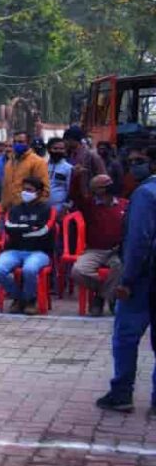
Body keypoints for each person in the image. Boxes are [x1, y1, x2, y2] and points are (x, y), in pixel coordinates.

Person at [95, 145, 156, 413]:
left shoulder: (145, 194)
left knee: (126, 336)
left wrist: (126, 280)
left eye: (138, 161)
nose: (133, 167)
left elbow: (139, 241)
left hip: (144, 277)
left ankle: (122, 393)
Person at [0, 176, 53, 315]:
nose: (25, 193)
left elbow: (43, 232)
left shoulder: (46, 210)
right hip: (14, 250)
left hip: (39, 251)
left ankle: (30, 300)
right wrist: (30, 228)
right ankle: (19, 297)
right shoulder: (15, 209)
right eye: (24, 189)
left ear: (38, 193)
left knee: (29, 270)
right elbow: (8, 227)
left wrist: (19, 229)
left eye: (29, 190)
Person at [70, 174, 128, 316]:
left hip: (117, 250)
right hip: (95, 249)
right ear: (96, 190)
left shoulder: (124, 204)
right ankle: (107, 293)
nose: (108, 186)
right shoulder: (89, 205)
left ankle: (99, 298)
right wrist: (76, 177)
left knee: (120, 267)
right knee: (78, 271)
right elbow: (75, 195)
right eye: (103, 185)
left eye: (109, 183)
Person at [2, 130, 49, 209]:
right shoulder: (9, 163)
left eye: (20, 142)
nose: (17, 144)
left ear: (28, 143)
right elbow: (6, 189)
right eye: (15, 142)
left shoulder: (38, 162)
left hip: (29, 211)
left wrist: (35, 210)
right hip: (11, 212)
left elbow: (44, 190)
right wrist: (3, 209)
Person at [47, 137, 74, 214]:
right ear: (49, 149)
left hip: (59, 210)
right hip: (42, 210)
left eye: (61, 149)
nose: (58, 151)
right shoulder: (43, 166)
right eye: (55, 148)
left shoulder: (68, 168)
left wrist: (65, 209)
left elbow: (71, 192)